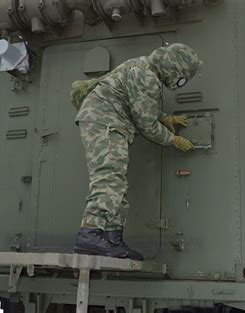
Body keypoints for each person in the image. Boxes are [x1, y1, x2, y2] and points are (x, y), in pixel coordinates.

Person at [73, 43, 201, 260]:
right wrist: (174, 140)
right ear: (174, 68)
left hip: (108, 121)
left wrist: (165, 117)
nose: (180, 82)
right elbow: (147, 125)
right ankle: (90, 233)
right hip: (104, 122)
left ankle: (113, 238)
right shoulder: (147, 76)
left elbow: (140, 103)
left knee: (118, 182)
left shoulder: (143, 66)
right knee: (109, 177)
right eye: (182, 77)